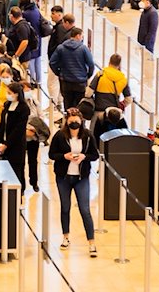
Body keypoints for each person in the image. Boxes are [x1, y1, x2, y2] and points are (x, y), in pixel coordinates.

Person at [48, 107, 99, 257]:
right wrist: (65, 156)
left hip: (81, 177)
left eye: (77, 121)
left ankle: (91, 242)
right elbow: (52, 154)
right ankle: (65, 237)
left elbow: (94, 154)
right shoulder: (59, 136)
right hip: (63, 177)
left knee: (85, 209)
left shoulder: (88, 136)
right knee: (65, 207)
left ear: (81, 121)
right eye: (71, 121)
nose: (74, 124)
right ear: (67, 122)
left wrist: (84, 157)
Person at [0, 81, 29, 192]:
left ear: (17, 94)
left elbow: (18, 131)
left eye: (10, 93)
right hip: (3, 142)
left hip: (16, 146)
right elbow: (2, 124)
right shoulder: (7, 105)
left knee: (16, 170)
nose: (8, 95)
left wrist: (7, 145)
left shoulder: (23, 108)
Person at [49, 27, 95, 110]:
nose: (82, 38)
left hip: (66, 81)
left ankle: (68, 121)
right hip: (80, 82)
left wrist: (59, 73)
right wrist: (88, 75)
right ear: (78, 36)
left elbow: (52, 62)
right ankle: (79, 122)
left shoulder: (61, 47)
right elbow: (91, 64)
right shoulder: (83, 49)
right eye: (82, 36)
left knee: (67, 105)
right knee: (80, 107)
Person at [90, 54, 132, 125]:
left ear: (109, 62)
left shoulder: (100, 74)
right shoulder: (123, 79)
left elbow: (89, 92)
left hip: (98, 111)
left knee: (94, 133)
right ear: (119, 64)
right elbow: (129, 99)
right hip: (113, 114)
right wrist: (122, 104)